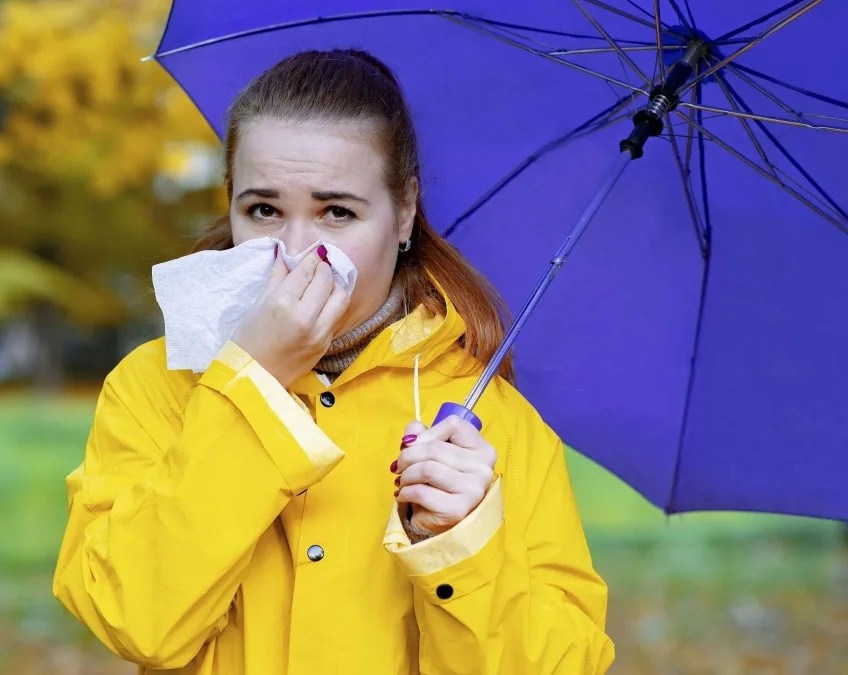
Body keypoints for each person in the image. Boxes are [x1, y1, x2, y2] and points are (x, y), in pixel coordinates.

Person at [53, 49, 614, 674]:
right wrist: (252, 382)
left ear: (404, 212)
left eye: (337, 212)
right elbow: (134, 619)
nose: (296, 252)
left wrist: (461, 548)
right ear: (231, 204)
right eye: (264, 210)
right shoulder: (156, 386)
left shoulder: (489, 421)